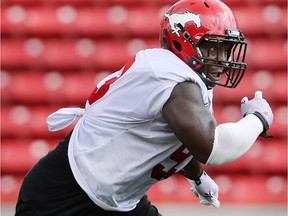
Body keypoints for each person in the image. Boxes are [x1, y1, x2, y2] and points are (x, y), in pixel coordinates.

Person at [15, 0, 273, 215]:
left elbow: (174, 135)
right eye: (213, 48)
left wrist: (197, 176)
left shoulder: (185, 77)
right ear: (181, 40)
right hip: (62, 196)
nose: (222, 59)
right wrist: (257, 118)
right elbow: (213, 147)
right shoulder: (171, 79)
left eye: (226, 49)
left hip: (117, 198)